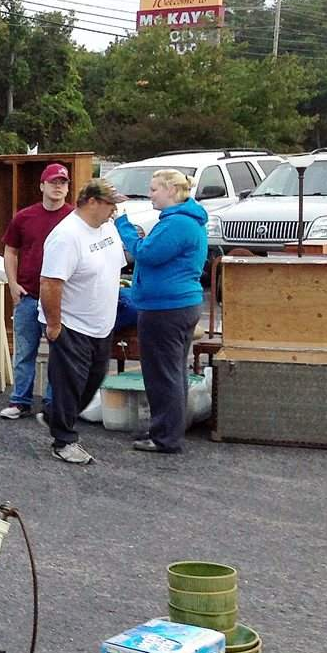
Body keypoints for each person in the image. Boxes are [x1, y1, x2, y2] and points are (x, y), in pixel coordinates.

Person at [114, 169, 208, 454]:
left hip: (166, 308)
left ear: (171, 190)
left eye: (154, 189)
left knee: (162, 374)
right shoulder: (184, 220)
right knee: (173, 372)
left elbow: (146, 254)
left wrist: (122, 224)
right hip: (179, 305)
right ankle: (167, 429)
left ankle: (166, 438)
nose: (150, 194)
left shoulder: (177, 223)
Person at [39, 179, 126, 465]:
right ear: (91, 202)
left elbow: (114, 267)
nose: (114, 211)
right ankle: (64, 441)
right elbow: (50, 283)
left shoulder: (107, 228)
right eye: (110, 204)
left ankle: (55, 415)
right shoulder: (67, 236)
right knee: (70, 383)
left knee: (94, 379)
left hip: (101, 322)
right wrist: (54, 324)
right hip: (72, 323)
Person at [0, 163, 74, 421]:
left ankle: (52, 403)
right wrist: (12, 284)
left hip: (60, 298)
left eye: (63, 182)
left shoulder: (74, 218)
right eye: (53, 182)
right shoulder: (24, 217)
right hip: (28, 294)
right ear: (42, 185)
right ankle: (20, 401)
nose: (58, 187)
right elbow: (10, 251)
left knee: (59, 354)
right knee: (24, 352)